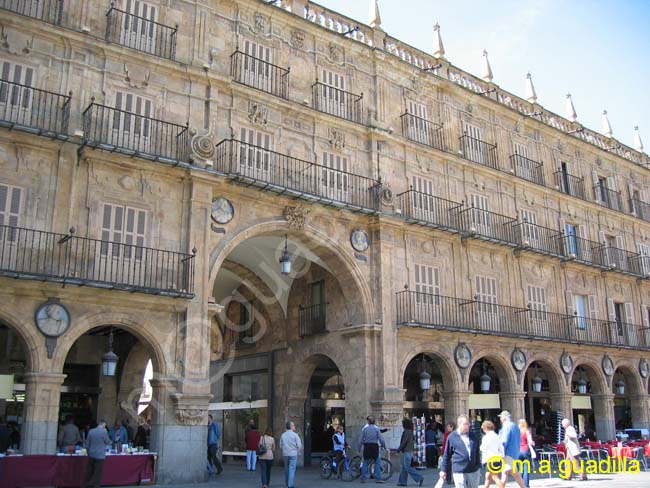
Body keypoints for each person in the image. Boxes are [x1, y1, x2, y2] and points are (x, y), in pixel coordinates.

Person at [439, 414, 481, 488]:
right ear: (460, 424)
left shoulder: (473, 435)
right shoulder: (452, 437)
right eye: (465, 424)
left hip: (473, 470)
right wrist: (443, 470)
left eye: (468, 424)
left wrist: (478, 465)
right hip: (459, 469)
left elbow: (477, 451)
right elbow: (446, 455)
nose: (468, 426)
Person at [498, 411, 525, 488]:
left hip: (508, 453)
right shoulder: (515, 426)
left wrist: (501, 452)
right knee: (513, 473)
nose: (500, 419)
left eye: (501, 417)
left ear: (504, 418)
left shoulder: (506, 426)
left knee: (506, 472)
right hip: (514, 452)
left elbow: (504, 441)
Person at [81, 419, 112, 488]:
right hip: (100, 455)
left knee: (89, 471)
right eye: (105, 425)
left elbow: (87, 444)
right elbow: (107, 442)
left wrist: (88, 452)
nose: (105, 426)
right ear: (103, 424)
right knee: (98, 472)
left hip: (91, 454)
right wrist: (111, 442)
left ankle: (85, 484)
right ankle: (96, 486)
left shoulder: (91, 431)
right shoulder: (104, 431)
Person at [357, 415, 386, 483]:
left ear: (368, 422)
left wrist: (359, 448)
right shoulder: (376, 429)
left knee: (365, 462)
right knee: (377, 462)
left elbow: (360, 440)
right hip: (374, 446)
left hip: (367, 446)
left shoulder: (365, 429)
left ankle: (363, 478)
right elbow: (381, 439)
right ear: (374, 422)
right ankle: (378, 479)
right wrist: (384, 446)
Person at [397, 418, 424, 487]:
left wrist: (399, 449)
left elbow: (404, 442)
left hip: (407, 451)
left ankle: (419, 477)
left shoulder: (407, 432)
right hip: (408, 451)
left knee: (407, 467)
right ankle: (402, 482)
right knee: (403, 467)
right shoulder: (409, 431)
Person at [480, 420, 504, 488]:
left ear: (486, 428)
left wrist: (480, 448)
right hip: (497, 458)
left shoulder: (486, 437)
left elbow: (483, 448)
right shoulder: (496, 436)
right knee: (488, 476)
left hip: (490, 459)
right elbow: (501, 448)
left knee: (494, 477)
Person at [279, 421, 302, 488]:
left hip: (285, 454)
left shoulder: (283, 435)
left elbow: (280, 445)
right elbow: (299, 445)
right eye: (293, 425)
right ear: (291, 426)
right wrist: (298, 451)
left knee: (286, 469)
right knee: (292, 469)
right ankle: (290, 485)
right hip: (293, 454)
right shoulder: (295, 435)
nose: (294, 426)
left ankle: (287, 482)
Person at [517, 419, 535, 488]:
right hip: (525, 451)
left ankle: (521, 485)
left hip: (518, 451)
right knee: (526, 469)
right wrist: (533, 443)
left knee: (520, 469)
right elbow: (530, 441)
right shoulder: (527, 432)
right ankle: (526, 485)